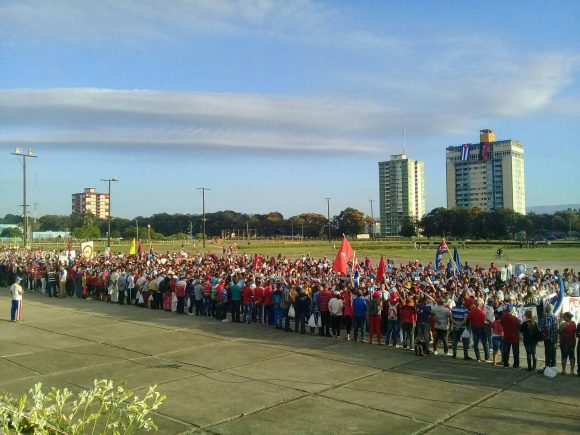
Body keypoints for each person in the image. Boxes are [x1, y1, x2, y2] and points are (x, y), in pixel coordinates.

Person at [540, 304, 558, 371]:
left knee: (548, 353)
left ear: (546, 309)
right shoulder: (554, 316)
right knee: (553, 353)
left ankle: (548, 366)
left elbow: (548, 327)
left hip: (548, 339)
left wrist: (546, 336)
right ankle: (553, 366)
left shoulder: (547, 316)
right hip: (553, 338)